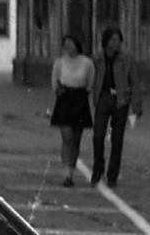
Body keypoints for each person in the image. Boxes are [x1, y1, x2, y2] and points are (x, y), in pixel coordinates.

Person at [90, 27, 142, 187]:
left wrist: (136, 105)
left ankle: (112, 175)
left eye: (118, 40)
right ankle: (98, 166)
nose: (116, 43)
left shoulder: (126, 59)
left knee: (117, 139)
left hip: (120, 100)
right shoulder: (97, 58)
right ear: (106, 42)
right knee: (98, 136)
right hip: (103, 98)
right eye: (113, 40)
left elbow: (134, 81)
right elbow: (92, 78)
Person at [49, 34, 95, 187]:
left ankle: (71, 172)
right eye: (66, 44)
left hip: (80, 99)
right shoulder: (59, 62)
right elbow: (54, 82)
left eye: (71, 43)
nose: (68, 47)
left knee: (76, 139)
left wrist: (83, 95)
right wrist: (60, 92)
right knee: (67, 136)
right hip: (64, 99)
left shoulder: (87, 63)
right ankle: (66, 172)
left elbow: (90, 83)